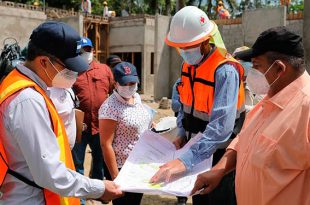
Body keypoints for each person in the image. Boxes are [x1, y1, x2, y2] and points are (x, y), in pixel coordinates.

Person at [0, 21, 122, 205]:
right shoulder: (28, 100)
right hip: (31, 198)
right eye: (68, 68)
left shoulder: (24, 84)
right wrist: (100, 189)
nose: (74, 73)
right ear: (43, 61)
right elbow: (50, 173)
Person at [191, 26, 310, 205]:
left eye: (256, 66)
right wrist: (220, 169)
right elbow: (243, 141)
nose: (249, 75)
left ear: (279, 68)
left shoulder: (306, 110)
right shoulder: (267, 101)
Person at [150, 6, 246, 205]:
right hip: (196, 154)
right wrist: (182, 133)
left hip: (220, 158)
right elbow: (185, 106)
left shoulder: (225, 71)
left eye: (188, 46)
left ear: (204, 41)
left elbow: (221, 127)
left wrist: (185, 161)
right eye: (180, 47)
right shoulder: (188, 67)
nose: (184, 52)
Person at [99, 61, 153, 205]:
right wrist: (117, 178)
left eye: (132, 83)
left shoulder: (137, 99)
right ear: (115, 84)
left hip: (140, 163)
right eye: (125, 84)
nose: (129, 87)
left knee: (135, 201)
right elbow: (106, 144)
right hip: (123, 167)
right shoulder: (110, 107)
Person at [72, 37, 114, 199]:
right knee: (77, 164)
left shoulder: (104, 70)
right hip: (79, 127)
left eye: (88, 50)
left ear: (93, 51)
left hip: (101, 126)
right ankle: (80, 198)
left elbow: (113, 91)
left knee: (99, 161)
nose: (85, 53)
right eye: (81, 51)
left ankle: (98, 193)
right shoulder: (72, 71)